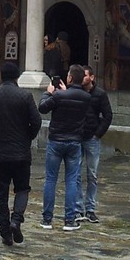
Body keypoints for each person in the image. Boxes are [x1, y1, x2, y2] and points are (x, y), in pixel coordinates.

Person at [0, 61, 41, 246]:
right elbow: (36, 121)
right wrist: (27, 138)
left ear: (1, 76)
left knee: (0, 194)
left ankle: (5, 231)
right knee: (22, 188)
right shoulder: (25, 96)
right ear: (17, 77)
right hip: (20, 153)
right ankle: (16, 220)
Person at [37, 63, 90, 231]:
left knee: (50, 179)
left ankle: (47, 219)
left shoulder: (59, 96)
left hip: (56, 140)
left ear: (70, 78)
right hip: (74, 141)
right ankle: (69, 220)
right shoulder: (86, 97)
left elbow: (42, 107)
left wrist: (48, 93)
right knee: (72, 180)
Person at [81, 64, 113, 224]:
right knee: (75, 174)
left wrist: (97, 134)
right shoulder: (77, 92)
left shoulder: (100, 94)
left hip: (92, 138)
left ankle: (90, 209)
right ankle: (77, 208)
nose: (83, 78)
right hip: (77, 136)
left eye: (85, 75)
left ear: (92, 77)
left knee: (92, 174)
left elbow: (108, 115)